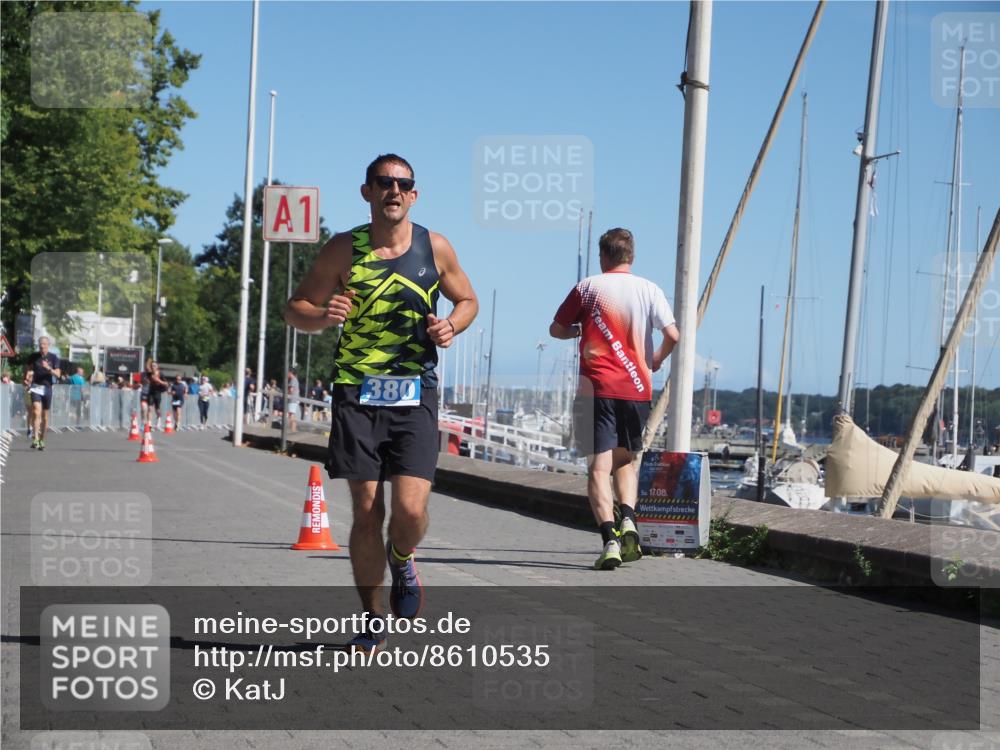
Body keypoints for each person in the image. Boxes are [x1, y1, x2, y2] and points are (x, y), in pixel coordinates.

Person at [285, 153, 478, 651]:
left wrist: (450, 325)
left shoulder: (434, 247)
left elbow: (467, 300)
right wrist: (324, 315)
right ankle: (372, 616)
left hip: (415, 392)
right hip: (357, 391)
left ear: (414, 194)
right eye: (384, 182)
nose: (394, 190)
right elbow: (295, 309)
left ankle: (402, 555)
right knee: (366, 511)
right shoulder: (343, 250)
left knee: (410, 512)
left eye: (403, 184)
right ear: (367, 191)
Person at [550, 227, 680, 571]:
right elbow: (673, 335)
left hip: (596, 390)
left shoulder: (589, 287)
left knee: (598, 466)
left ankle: (609, 540)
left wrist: (578, 330)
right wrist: (656, 359)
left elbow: (556, 328)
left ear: (603, 256)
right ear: (631, 257)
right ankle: (629, 521)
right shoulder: (650, 290)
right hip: (637, 389)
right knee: (624, 462)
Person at [23, 336, 62, 450]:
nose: (42, 346)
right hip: (35, 386)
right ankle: (35, 438)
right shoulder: (34, 357)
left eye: (44, 344)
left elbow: (58, 374)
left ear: (48, 345)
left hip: (47, 387)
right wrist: (26, 378)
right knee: (36, 411)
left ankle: (41, 440)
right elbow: (28, 369)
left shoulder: (53, 358)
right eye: (40, 344)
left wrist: (48, 368)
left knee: (45, 417)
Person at [143, 359, 169, 429]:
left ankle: (159, 418)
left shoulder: (161, 374)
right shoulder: (150, 373)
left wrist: (159, 381)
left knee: (157, 408)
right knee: (150, 408)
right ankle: (149, 424)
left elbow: (166, 384)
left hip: (158, 392)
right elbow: (146, 367)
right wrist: (149, 361)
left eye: (154, 366)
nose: (153, 367)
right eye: (152, 366)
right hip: (151, 392)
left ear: (157, 366)